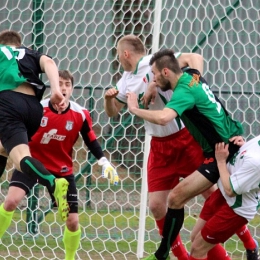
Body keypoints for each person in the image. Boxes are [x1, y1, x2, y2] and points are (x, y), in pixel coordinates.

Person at [126, 48, 257, 260]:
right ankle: (165, 253)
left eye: (155, 75)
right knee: (195, 230)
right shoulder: (193, 75)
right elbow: (195, 58)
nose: (153, 79)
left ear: (166, 72)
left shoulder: (182, 92)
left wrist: (134, 108)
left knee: (177, 199)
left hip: (221, 154)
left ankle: (162, 254)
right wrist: (152, 86)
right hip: (223, 147)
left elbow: (163, 118)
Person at [104, 35, 216, 260]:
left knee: (212, 195)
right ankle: (181, 257)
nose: (118, 58)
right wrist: (108, 98)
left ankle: (242, 245)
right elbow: (112, 112)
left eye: (118, 54)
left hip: (185, 139)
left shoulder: (154, 63)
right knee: (156, 205)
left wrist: (194, 86)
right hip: (159, 146)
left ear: (126, 54)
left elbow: (194, 57)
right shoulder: (125, 80)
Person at [0, 70, 119, 260]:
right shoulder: (37, 108)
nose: (63, 88)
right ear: (53, 86)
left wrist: (104, 162)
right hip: (32, 164)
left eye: (67, 84)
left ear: (72, 88)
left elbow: (91, 140)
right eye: (60, 83)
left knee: (72, 222)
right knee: (11, 201)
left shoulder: (80, 114)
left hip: (61, 171)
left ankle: (69, 258)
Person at [0, 30, 69, 221]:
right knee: (4, 148)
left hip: (8, 103)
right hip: (33, 109)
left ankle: (52, 183)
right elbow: (50, 63)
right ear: (20, 45)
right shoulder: (29, 53)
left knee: (21, 159)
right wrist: (55, 90)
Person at [190, 136, 260, 260]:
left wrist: (221, 161)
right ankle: (251, 245)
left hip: (235, 208)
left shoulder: (256, 163)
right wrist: (243, 147)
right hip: (222, 195)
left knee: (198, 248)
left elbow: (230, 190)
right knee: (195, 237)